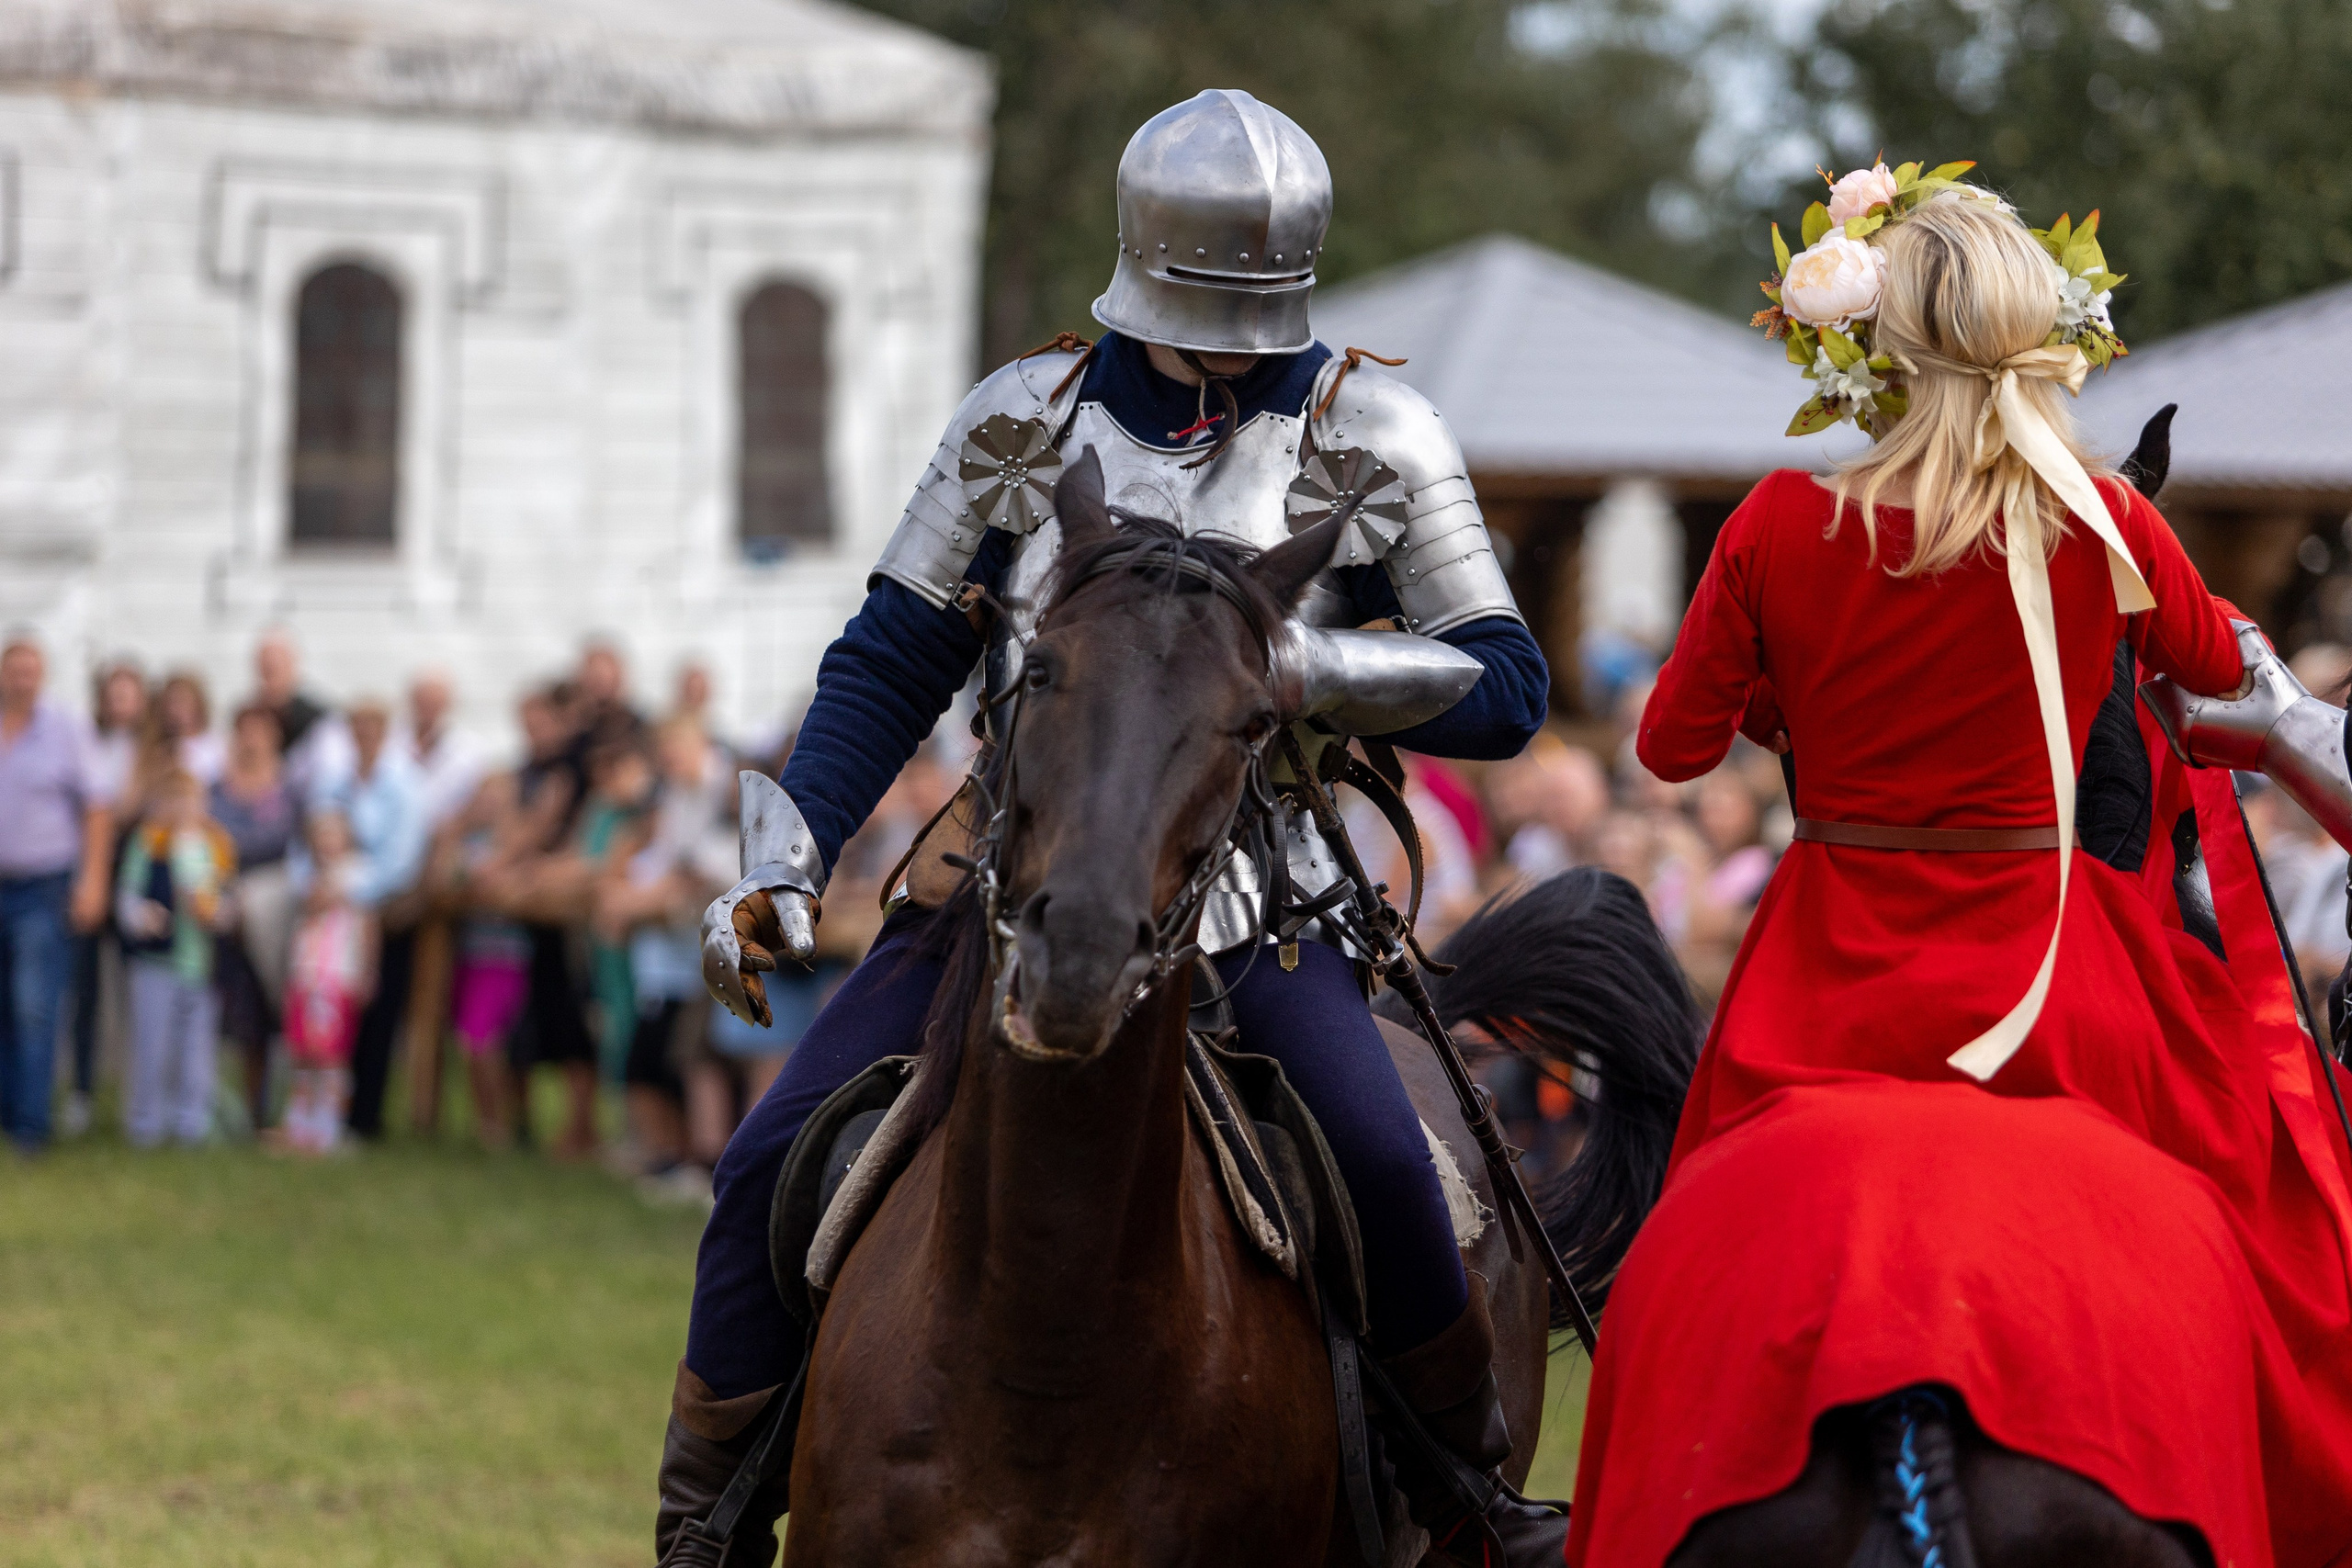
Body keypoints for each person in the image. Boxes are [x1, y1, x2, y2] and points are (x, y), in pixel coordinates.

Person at [666, 92, 1556, 1564]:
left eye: (1255, 320)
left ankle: (1475, 1494)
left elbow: (1510, 682)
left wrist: (1304, 667)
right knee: (772, 1148)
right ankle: (703, 1508)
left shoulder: (1373, 428)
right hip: (1001, 878)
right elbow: (893, 652)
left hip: (1255, 888)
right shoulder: (1026, 414)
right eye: (1207, 312)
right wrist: (788, 853)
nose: (1228, 347)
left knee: (1392, 1165)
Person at [1569, 185, 2352, 1562]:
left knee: (1672, 1268)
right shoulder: (2107, 518)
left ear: (1873, 348)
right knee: (2264, 1241)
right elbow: (2227, 682)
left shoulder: (1774, 520)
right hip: (2063, 986)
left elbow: (1672, 741)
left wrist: (1805, 705)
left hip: (1820, 986)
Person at [0, 636, 114, 1154]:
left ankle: (30, 1126)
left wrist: (93, 881)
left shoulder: (65, 729)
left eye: (30, 670)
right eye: (13, 669)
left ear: (41, 676)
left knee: (34, 1007)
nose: (21, 679)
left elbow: (98, 807)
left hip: (42, 886)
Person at [309, 699, 424, 1139]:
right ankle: (323, 1109)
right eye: (357, 727)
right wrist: (318, 885)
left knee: (374, 1008)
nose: (364, 735)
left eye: (372, 727)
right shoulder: (336, 782)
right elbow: (312, 835)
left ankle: (365, 1113)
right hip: (331, 909)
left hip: (380, 909)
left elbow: (402, 857)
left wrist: (350, 887)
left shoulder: (403, 785)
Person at [115, 768, 237, 1147]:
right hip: (156, 964)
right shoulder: (149, 843)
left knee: (196, 1048)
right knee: (152, 1045)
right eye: (173, 801)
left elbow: (227, 900)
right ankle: (145, 1122)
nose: (183, 809)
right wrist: (142, 916)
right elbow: (126, 898)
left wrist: (216, 913)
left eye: (191, 800)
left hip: (200, 965)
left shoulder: (214, 845)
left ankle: (192, 1123)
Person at [62, 659, 148, 1136]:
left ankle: (143, 1094)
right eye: (112, 694)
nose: (120, 704)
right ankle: (82, 1091)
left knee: (141, 991)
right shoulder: (85, 743)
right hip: (95, 873)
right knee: (86, 990)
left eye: (128, 693)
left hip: (139, 879)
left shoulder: (153, 754)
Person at [210, 705, 300, 1133]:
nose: (251, 739)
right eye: (244, 730)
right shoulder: (215, 789)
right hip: (220, 917)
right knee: (232, 1016)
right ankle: (230, 1112)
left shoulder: (290, 792)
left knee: (270, 1015)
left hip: (274, 918)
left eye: (260, 731)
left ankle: (272, 1110)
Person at [282, 808, 374, 1155]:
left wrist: (366, 970)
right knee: (303, 1051)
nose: (326, 843)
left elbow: (366, 925)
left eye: (334, 834)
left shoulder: (358, 877)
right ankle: (300, 1125)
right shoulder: (308, 877)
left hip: (336, 978)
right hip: (306, 976)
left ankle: (329, 1126)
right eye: (320, 835)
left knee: (331, 1055)